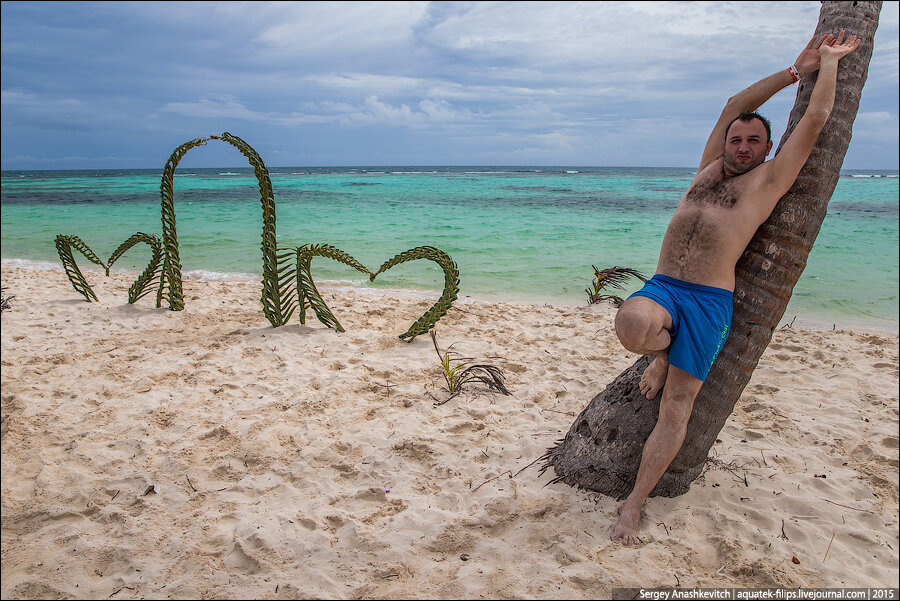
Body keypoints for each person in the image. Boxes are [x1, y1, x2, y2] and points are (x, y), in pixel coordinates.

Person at [610, 30, 861, 545]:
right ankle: (661, 351)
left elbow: (814, 120)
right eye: (736, 139)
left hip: (707, 303)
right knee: (632, 323)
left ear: (767, 148)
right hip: (662, 287)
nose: (742, 146)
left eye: (753, 142)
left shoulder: (768, 180)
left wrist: (830, 64)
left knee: (678, 406)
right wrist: (794, 70)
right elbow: (734, 105)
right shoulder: (706, 169)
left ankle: (632, 508)